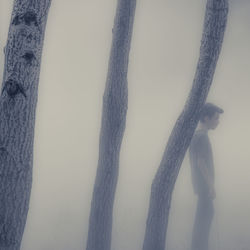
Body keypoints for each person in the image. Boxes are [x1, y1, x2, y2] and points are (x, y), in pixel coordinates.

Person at [189, 102, 224, 250]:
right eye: (215, 118)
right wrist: (211, 186)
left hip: (201, 188)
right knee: (203, 223)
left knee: (201, 223)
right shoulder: (202, 137)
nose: (218, 121)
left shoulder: (197, 135)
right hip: (204, 189)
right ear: (205, 118)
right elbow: (201, 163)